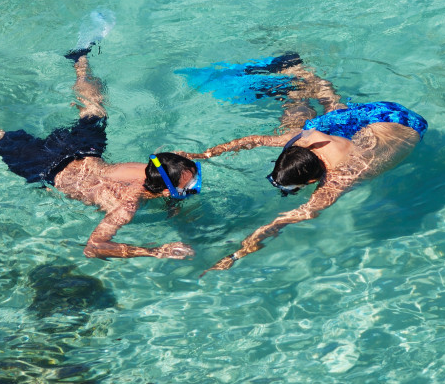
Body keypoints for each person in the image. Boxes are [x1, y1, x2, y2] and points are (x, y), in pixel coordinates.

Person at [0, 47, 200, 260]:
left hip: (82, 151)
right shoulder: (125, 208)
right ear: (165, 190)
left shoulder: (147, 167)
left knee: (94, 108)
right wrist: (154, 252)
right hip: (45, 167)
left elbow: (171, 165)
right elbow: (94, 248)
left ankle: (80, 58)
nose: (193, 186)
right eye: (188, 185)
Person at [179, 53, 427, 276]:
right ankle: (298, 75)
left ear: (311, 181)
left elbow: (280, 222)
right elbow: (253, 140)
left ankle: (299, 84)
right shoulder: (307, 140)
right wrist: (202, 155)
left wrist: (235, 255)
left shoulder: (339, 179)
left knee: (317, 120)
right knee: (308, 125)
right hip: (385, 115)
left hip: (409, 126)